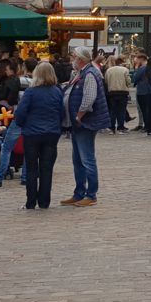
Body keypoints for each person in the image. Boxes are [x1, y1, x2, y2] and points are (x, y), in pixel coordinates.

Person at [11, 61, 64, 210]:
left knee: (32, 169)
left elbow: (20, 113)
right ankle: (44, 201)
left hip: (32, 133)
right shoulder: (56, 91)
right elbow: (61, 113)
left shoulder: (31, 92)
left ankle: (31, 201)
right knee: (47, 169)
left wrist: (22, 124)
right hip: (51, 133)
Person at [62, 46, 109, 207]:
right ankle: (79, 192)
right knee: (77, 160)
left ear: (80, 59)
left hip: (86, 122)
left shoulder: (89, 74)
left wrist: (78, 115)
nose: (72, 60)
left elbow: (89, 98)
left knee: (87, 159)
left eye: (73, 57)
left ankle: (91, 194)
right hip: (78, 123)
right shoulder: (82, 73)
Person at [132, 52, 151, 137]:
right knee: (150, 111)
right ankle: (150, 129)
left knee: (147, 111)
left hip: (144, 92)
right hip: (147, 92)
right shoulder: (149, 69)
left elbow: (135, 78)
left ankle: (149, 129)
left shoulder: (144, 68)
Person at [104, 56, 133, 133]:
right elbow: (128, 81)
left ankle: (112, 127)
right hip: (123, 92)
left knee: (112, 110)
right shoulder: (125, 70)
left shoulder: (109, 70)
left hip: (112, 92)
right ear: (121, 63)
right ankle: (121, 127)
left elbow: (106, 81)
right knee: (122, 110)